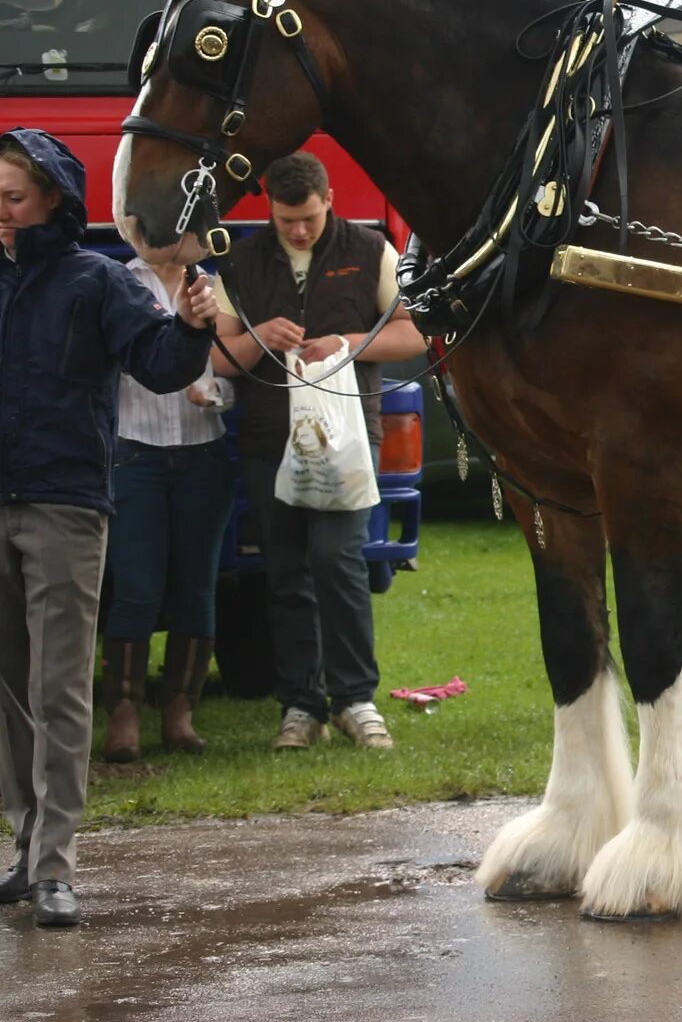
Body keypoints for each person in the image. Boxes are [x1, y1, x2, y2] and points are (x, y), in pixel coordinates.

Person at [0, 128, 217, 929]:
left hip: (63, 504)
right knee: (6, 688)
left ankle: (55, 864)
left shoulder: (94, 280)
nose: (1, 213)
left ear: (52, 200)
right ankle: (26, 842)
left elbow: (160, 364)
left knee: (58, 687)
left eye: (13, 199)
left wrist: (193, 327)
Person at [212, 152, 423, 753]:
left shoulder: (371, 250)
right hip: (268, 438)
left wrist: (347, 344)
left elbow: (413, 332)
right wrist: (258, 341)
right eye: (286, 221)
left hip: (349, 437)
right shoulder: (243, 260)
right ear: (269, 211)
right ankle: (301, 707)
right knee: (285, 573)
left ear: (328, 199)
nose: (299, 231)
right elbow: (219, 358)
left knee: (338, 560)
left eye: (307, 218)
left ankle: (355, 698)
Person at [100, 254, 237, 763]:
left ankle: (180, 708)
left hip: (204, 451)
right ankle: (124, 710)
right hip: (135, 450)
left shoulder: (216, 284)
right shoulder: (118, 281)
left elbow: (234, 364)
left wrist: (216, 392)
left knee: (197, 586)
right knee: (136, 586)